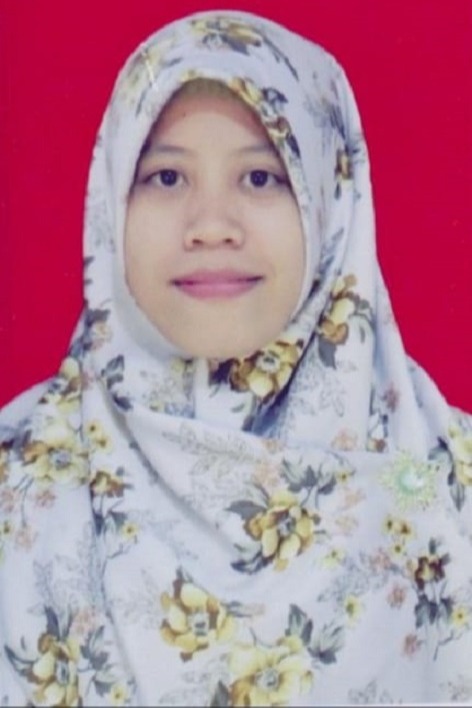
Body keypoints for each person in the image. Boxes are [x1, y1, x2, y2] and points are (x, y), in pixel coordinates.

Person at [1, 9, 471, 706]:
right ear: (111, 200)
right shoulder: (15, 482)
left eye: (260, 177)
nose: (211, 226)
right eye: (166, 177)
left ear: (330, 200)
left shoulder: (451, 489)